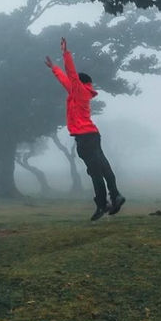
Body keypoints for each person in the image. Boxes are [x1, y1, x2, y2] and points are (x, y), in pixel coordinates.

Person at [45, 37, 126, 221]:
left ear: (79, 83)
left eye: (74, 83)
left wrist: (65, 54)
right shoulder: (79, 93)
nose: (71, 84)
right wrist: (54, 69)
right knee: (103, 167)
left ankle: (103, 204)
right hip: (93, 135)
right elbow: (67, 80)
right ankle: (115, 196)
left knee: (95, 172)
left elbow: (71, 75)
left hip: (84, 138)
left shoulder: (78, 91)